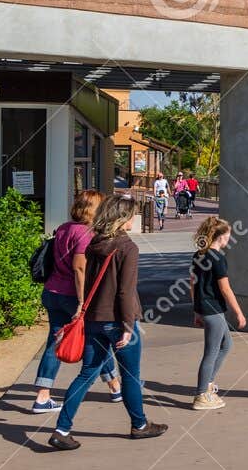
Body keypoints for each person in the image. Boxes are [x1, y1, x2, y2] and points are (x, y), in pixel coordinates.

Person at [47, 195, 167, 450]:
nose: (134, 219)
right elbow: (125, 291)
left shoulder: (94, 244)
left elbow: (89, 282)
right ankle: (140, 424)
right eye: (132, 214)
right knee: (131, 375)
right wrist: (126, 325)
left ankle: (62, 428)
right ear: (123, 218)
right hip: (118, 320)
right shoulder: (128, 248)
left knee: (86, 374)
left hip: (94, 319)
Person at [31, 189, 124, 414]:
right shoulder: (86, 233)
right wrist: (83, 302)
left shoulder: (64, 228)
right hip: (73, 295)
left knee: (56, 340)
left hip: (52, 290)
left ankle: (43, 395)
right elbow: (79, 267)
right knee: (97, 340)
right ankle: (115, 386)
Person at [190, 216, 246, 410]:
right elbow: (225, 289)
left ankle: (208, 383)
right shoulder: (218, 258)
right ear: (221, 236)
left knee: (226, 344)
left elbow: (193, 284)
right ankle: (201, 395)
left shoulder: (199, 255)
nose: (229, 238)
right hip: (214, 309)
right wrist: (239, 313)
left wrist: (196, 310)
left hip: (205, 308)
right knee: (211, 352)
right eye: (229, 234)